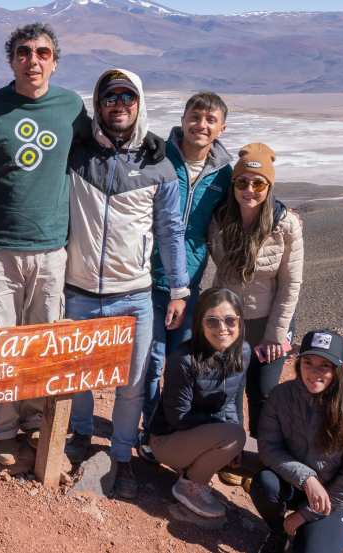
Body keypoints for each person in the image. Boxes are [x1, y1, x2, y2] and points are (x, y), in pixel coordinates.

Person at [0, 24, 166, 465]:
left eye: (42, 53)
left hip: (54, 248)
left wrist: (151, 142)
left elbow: (107, 140)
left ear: (54, 62)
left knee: (44, 344)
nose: (32, 60)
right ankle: (1, 430)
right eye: (23, 52)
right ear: (11, 59)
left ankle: (36, 422)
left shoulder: (71, 106)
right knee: (0, 342)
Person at [56, 68, 188, 500]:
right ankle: (78, 437)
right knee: (76, 378)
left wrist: (181, 289)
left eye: (127, 98)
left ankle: (123, 456)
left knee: (131, 385)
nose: (119, 105)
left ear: (139, 104)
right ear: (98, 104)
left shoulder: (159, 163)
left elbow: (170, 232)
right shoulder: (75, 153)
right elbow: (45, 121)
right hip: (78, 291)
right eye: (110, 98)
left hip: (134, 294)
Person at [142, 91, 233, 439]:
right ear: (182, 121)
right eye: (195, 117)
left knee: (179, 365)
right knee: (148, 364)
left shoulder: (223, 176)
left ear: (221, 128)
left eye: (210, 120)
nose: (201, 125)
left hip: (189, 285)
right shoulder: (156, 157)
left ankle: (166, 432)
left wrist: (284, 212)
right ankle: (147, 432)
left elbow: (251, 197)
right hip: (146, 279)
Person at [251, 330, 343, 553]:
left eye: (325, 366)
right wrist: (307, 478)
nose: (314, 372)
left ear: (338, 370)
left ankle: (302, 533)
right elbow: (269, 448)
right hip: (294, 482)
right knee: (264, 483)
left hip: (333, 498)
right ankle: (280, 531)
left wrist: (304, 515)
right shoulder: (281, 395)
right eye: (307, 362)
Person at [207, 143, 304, 436]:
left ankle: (262, 457)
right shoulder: (219, 219)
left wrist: (276, 334)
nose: (250, 189)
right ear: (233, 184)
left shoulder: (285, 224)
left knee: (262, 393)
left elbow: (290, 283)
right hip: (231, 323)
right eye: (242, 182)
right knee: (231, 391)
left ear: (269, 186)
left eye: (259, 183)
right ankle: (235, 453)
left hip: (269, 323)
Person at [145, 288, 255, 518]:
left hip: (212, 433)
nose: (222, 328)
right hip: (168, 441)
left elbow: (234, 398)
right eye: (212, 321)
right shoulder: (183, 360)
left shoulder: (244, 352)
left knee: (265, 453)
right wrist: (228, 435)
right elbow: (179, 417)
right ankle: (189, 484)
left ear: (240, 322)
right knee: (235, 438)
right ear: (200, 324)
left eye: (230, 320)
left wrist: (234, 435)